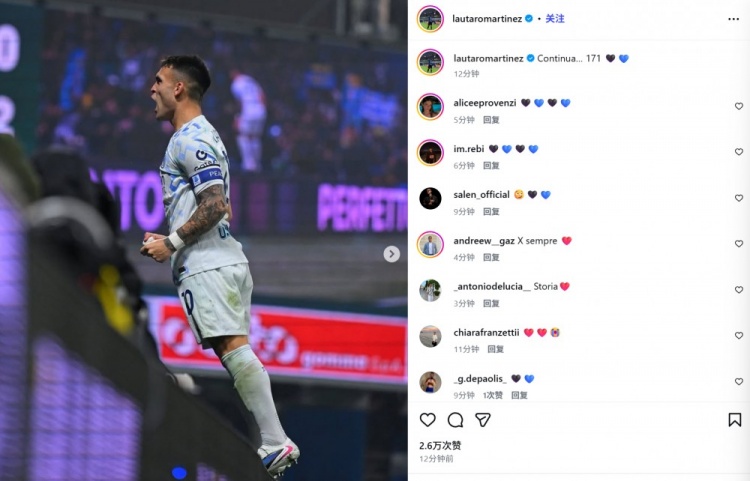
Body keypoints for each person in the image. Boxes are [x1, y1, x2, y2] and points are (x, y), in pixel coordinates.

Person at [140, 55, 299, 478]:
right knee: (233, 351)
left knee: (234, 350)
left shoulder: (190, 138)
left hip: (209, 265)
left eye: (158, 81)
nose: (152, 89)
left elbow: (215, 205)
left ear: (178, 88)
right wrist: (169, 237)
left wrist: (172, 243)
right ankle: (272, 439)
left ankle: (276, 441)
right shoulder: (202, 134)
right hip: (218, 261)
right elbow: (209, 205)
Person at [230, 68, 266, 172]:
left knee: (243, 136)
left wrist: (238, 117)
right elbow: (262, 96)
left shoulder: (236, 84)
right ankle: (257, 164)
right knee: (255, 137)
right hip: (260, 110)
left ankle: (248, 165)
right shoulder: (251, 80)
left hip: (248, 110)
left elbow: (240, 102)